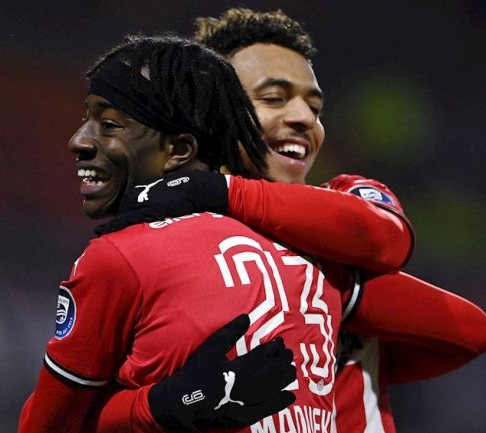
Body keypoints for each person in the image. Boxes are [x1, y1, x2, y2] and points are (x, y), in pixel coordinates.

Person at [91, 8, 486, 433]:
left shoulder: (344, 200)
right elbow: (85, 413)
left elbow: (393, 247)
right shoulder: (163, 244)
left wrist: (227, 196)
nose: (305, 119)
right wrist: (169, 401)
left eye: (314, 106)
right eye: (274, 98)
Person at [19, 34, 365, 433]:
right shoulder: (315, 258)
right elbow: (454, 325)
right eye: (88, 119)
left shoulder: (121, 258)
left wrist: (164, 403)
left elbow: (46, 428)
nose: (78, 140)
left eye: (109, 124)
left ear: (179, 150)